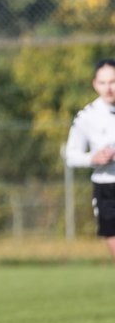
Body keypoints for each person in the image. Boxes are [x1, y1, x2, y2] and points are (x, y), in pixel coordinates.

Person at [65, 57, 115, 262]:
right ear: (95, 84)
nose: (108, 88)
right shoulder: (86, 117)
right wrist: (93, 158)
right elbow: (71, 156)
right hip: (106, 188)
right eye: (102, 83)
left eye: (112, 81)